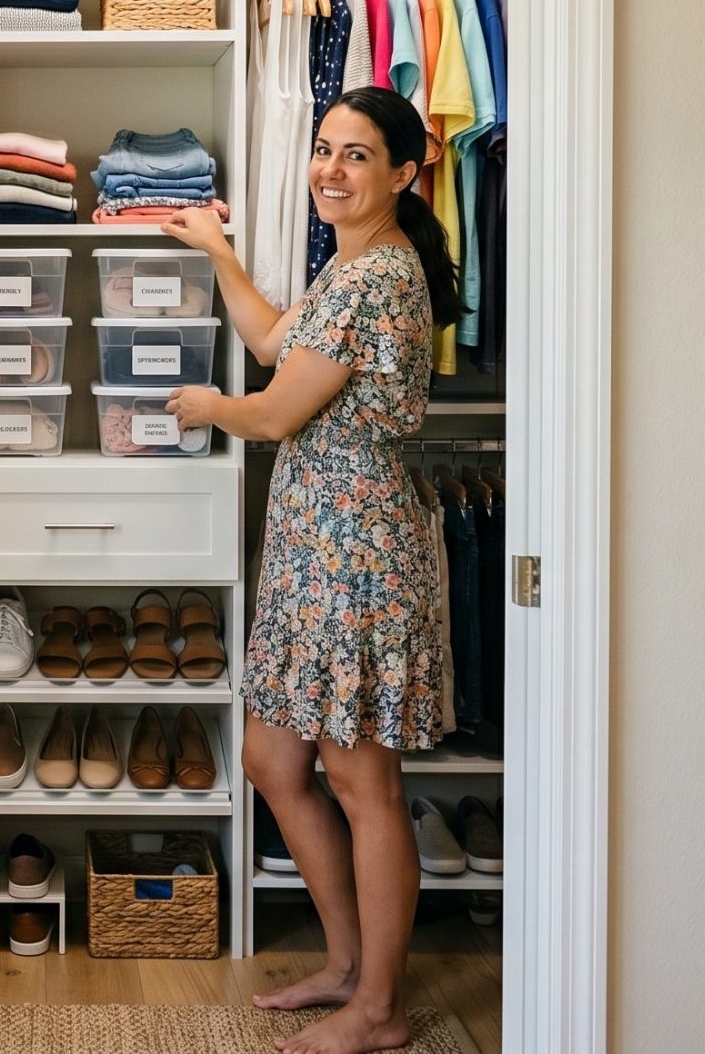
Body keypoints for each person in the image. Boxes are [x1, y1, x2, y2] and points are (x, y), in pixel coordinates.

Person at [161, 85, 463, 1054]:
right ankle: (345, 966)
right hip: (315, 551)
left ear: (406, 173)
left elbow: (278, 408)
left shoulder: (379, 278)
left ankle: (378, 1008)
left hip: (360, 557)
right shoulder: (353, 265)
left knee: (360, 778)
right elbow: (273, 341)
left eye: (358, 156)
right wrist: (218, 254)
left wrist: (215, 408)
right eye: (324, 150)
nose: (330, 169)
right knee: (274, 760)